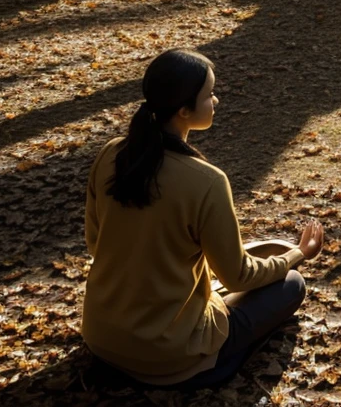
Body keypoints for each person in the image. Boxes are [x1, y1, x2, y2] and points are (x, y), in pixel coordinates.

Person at [82, 49, 324, 388]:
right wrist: (300, 253)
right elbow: (238, 276)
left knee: (272, 248)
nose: (216, 101)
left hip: (102, 335)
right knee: (291, 282)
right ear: (184, 111)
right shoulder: (206, 181)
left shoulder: (111, 153)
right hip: (168, 354)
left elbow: (96, 244)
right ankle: (214, 364)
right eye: (209, 94)